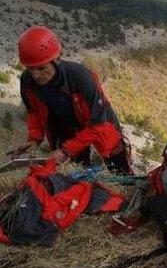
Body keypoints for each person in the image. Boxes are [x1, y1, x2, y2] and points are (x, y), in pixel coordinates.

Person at [14, 26, 133, 175]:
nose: (36, 75)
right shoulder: (28, 81)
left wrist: (66, 150)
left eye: (42, 68)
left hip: (100, 123)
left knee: (119, 169)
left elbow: (98, 124)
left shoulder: (80, 78)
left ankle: (127, 188)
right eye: (31, 69)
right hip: (68, 129)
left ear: (56, 59)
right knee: (76, 174)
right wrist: (34, 139)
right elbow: (34, 112)